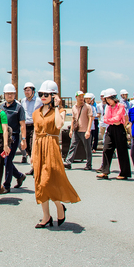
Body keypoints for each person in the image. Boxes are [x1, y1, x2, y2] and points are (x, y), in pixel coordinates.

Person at [32, 80, 80, 228]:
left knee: (49, 181)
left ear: (54, 96)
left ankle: (59, 206)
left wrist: (58, 106)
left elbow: (59, 125)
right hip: (39, 147)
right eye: (41, 94)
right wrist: (32, 153)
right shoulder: (36, 113)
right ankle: (46, 216)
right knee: (39, 183)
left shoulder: (59, 111)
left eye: (46, 94)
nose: (43, 97)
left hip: (51, 146)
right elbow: (35, 133)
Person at [97, 88, 131, 180]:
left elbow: (118, 118)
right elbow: (105, 119)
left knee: (122, 150)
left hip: (119, 128)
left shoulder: (121, 106)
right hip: (111, 128)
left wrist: (112, 120)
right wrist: (113, 121)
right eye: (106, 99)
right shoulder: (108, 107)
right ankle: (105, 171)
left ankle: (124, 173)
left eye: (109, 99)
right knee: (106, 149)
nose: (108, 101)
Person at [1, 83, 27, 193]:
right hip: (3, 136)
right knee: (5, 160)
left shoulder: (19, 108)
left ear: (15, 94)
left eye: (11, 94)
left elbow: (22, 125)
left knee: (7, 159)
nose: (9, 96)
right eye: (7, 94)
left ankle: (7, 185)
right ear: (4, 95)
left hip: (14, 137)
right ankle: (19, 176)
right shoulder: (1, 107)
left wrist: (23, 139)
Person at [64, 91, 93, 170]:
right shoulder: (74, 107)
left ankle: (89, 164)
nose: (81, 98)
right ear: (76, 97)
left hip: (84, 130)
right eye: (79, 96)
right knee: (72, 146)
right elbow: (73, 119)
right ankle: (68, 162)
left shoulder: (87, 107)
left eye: (82, 96)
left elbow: (90, 118)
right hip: (76, 130)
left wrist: (88, 130)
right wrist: (71, 130)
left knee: (87, 148)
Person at [20, 82, 41, 173]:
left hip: (34, 126)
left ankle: (36, 168)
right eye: (25, 90)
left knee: (33, 146)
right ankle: (34, 166)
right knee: (27, 147)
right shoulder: (23, 101)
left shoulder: (39, 101)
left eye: (28, 90)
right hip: (25, 126)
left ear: (33, 91)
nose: (27, 92)